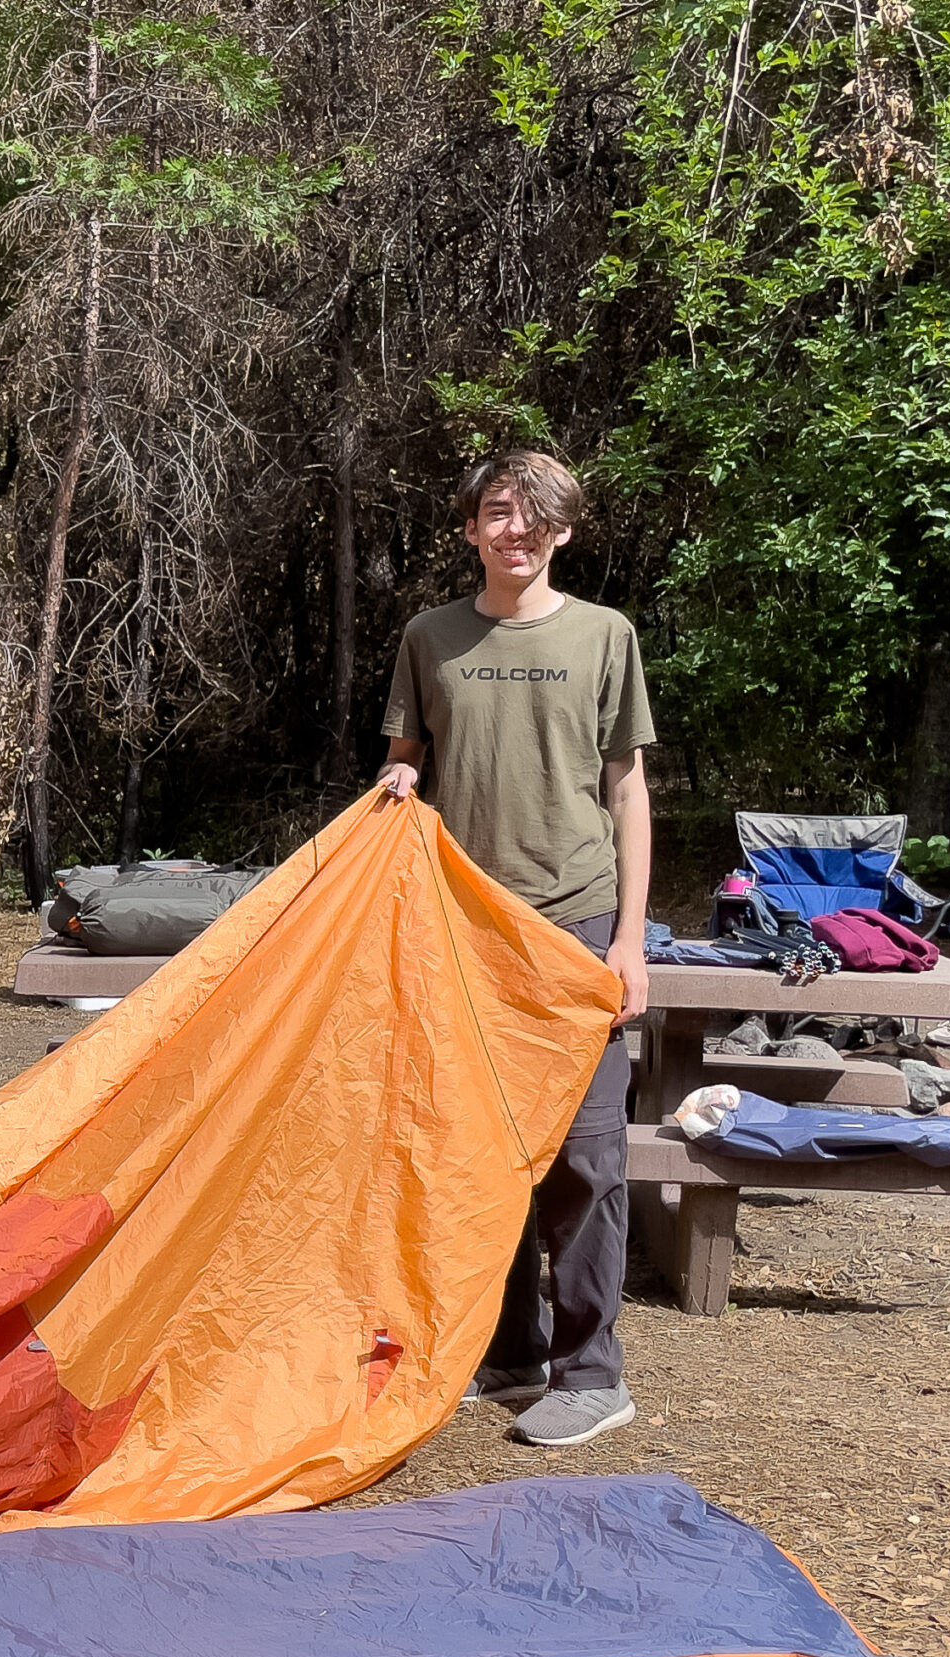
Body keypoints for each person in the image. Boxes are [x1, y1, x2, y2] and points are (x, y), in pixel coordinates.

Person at [377, 451, 652, 1449]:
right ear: (469, 529)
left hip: (574, 926)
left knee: (584, 1155)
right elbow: (407, 765)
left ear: (562, 531)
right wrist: (397, 784)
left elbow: (626, 790)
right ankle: (507, 1354)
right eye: (498, 512)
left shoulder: (603, 637)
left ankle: (592, 1372)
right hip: (465, 929)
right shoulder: (430, 638)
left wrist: (628, 942)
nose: (515, 531)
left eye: (535, 516)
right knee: (478, 1152)